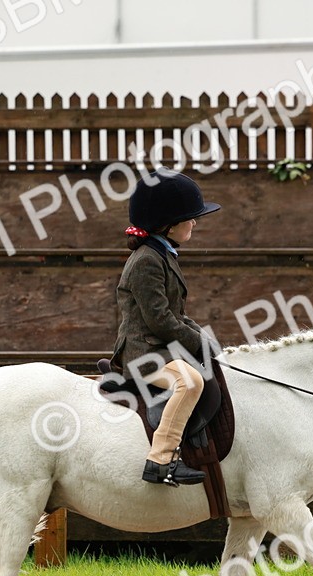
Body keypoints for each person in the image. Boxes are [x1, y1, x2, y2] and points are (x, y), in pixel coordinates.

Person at [111, 169, 220, 486]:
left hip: (161, 348)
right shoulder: (146, 260)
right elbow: (160, 319)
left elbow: (178, 314)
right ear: (167, 224)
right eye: (190, 218)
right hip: (142, 353)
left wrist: (206, 341)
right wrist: (197, 344)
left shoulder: (163, 255)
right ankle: (160, 460)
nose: (195, 223)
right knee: (189, 383)